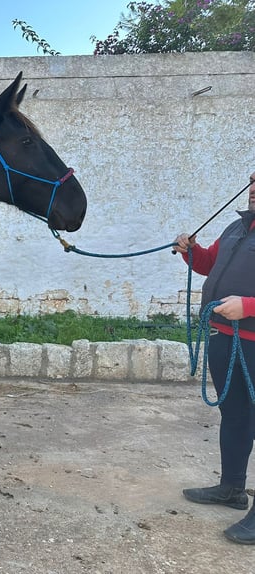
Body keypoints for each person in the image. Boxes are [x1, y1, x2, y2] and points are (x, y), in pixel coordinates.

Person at [174, 171, 255, 544]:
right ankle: (232, 488)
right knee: (234, 415)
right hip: (223, 338)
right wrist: (191, 250)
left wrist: (250, 306)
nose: (254, 189)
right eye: (253, 181)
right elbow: (209, 264)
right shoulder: (235, 229)